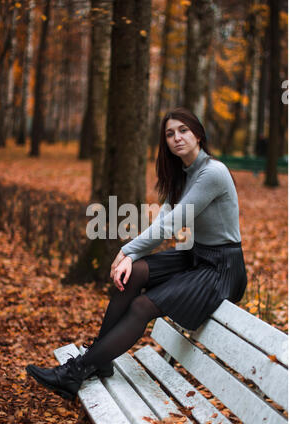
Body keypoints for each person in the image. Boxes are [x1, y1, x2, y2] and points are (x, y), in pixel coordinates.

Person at [26, 107, 247, 401]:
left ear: (199, 134)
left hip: (222, 269)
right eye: (170, 133)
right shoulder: (184, 174)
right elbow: (164, 218)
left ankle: (75, 372)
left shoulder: (212, 173)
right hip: (197, 256)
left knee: (143, 305)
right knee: (136, 272)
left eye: (183, 130)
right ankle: (99, 359)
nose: (177, 138)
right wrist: (130, 257)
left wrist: (125, 250)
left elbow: (173, 223)